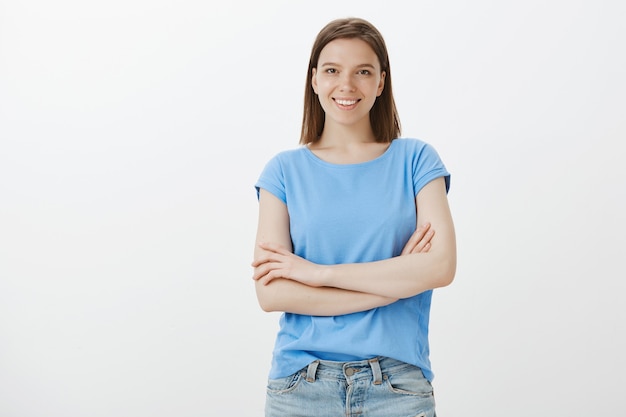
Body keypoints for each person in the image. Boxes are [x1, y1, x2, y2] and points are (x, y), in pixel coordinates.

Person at [251, 16, 456, 417]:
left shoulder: (416, 160)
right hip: (300, 386)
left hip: (397, 385)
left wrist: (316, 274)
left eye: (363, 72)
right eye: (332, 70)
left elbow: (441, 266)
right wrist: (396, 285)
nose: (346, 85)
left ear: (381, 82)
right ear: (314, 79)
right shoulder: (282, 171)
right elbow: (272, 293)